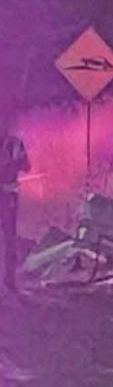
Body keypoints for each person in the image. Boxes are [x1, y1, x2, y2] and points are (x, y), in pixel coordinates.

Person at [0, 114, 30, 293]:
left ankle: (9, 280)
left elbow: (27, 166)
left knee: (10, 239)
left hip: (9, 196)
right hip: (7, 194)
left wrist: (15, 161)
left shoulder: (15, 144)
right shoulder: (15, 143)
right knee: (9, 239)